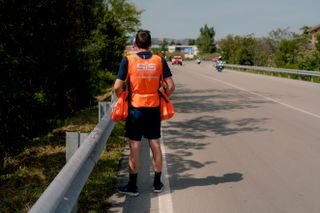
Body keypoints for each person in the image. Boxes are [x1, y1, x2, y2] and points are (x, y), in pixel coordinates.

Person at [113, 29, 175, 196]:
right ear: (150, 44)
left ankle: (133, 187)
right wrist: (162, 97)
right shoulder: (159, 60)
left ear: (135, 44)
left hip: (135, 109)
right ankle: (157, 183)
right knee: (155, 143)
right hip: (154, 108)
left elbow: (117, 87)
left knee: (135, 145)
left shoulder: (128, 60)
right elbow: (170, 86)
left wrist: (123, 98)